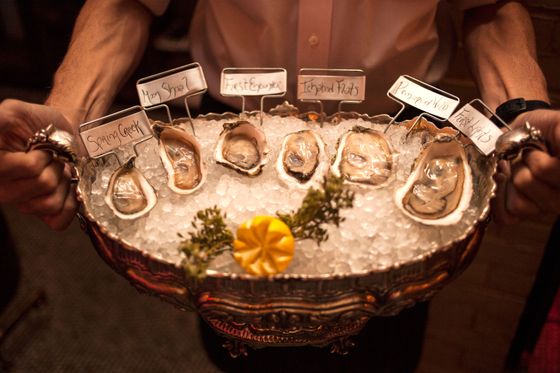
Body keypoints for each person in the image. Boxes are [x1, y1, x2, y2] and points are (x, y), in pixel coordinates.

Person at [0, 0, 559, 371]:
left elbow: (488, 4)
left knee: (379, 355)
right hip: (234, 128)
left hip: (395, 148)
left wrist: (521, 113)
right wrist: (66, 116)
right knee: (236, 349)